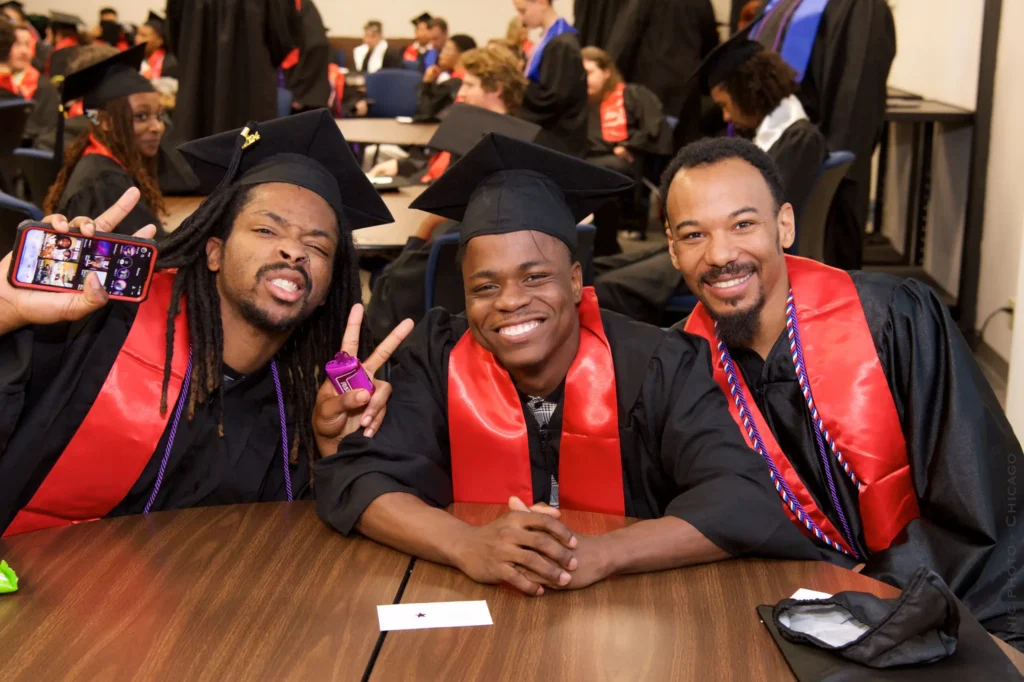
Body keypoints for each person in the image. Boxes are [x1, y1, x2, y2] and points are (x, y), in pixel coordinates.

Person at [316, 133, 824, 595]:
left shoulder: (656, 365)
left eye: (536, 277)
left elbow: (743, 497)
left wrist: (604, 553)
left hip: (637, 619)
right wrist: (465, 545)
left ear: (577, 280)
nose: (510, 301)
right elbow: (358, 478)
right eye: (485, 287)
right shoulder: (436, 356)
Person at [662, 136, 1023, 651]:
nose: (721, 254)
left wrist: (873, 588)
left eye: (744, 224)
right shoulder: (680, 366)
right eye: (694, 234)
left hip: (946, 598)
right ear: (673, 248)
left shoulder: (894, 319)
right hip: (778, 613)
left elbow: (978, 498)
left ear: (784, 225)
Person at [0, 109, 410, 537]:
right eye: (267, 231)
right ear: (213, 252)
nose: (294, 251)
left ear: (328, 289)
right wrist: (3, 311)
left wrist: (332, 453)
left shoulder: (302, 405)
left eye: (317, 247)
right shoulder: (98, 329)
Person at [591, 33, 829, 326]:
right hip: (712, 237)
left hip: (730, 256)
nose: (727, 117)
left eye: (727, 105)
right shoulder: (783, 135)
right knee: (599, 267)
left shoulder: (799, 139)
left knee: (607, 288)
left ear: (748, 92)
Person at [366, 49, 533, 341]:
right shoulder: (480, 131)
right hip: (460, 252)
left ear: (496, 89)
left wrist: (417, 237)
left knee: (389, 281)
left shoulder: (496, 146)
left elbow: (449, 206)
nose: (461, 91)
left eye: (469, 85)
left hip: (452, 251)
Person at [749, 0, 895, 269]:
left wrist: (832, 177)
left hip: (817, 164)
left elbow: (854, 102)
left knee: (823, 271)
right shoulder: (782, 4)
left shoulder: (860, 7)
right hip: (782, 157)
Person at [43, 45, 168, 239]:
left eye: (159, 115)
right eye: (141, 116)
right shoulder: (106, 182)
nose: (157, 127)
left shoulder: (98, 159)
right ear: (105, 122)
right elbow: (157, 251)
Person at [581, 46, 671, 255]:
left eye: (589, 72)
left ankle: (609, 240)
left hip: (622, 160)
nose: (584, 79)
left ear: (606, 71)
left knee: (597, 171)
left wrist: (629, 145)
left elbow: (654, 128)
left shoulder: (632, 95)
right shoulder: (577, 104)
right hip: (589, 158)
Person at [167, 0, 299, 141]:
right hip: (250, 87)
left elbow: (174, 36)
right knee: (250, 152)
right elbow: (282, 36)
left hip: (197, 87)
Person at [605, 0, 719, 149]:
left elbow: (625, 39)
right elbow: (711, 42)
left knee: (646, 153)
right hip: (686, 87)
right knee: (684, 153)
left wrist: (612, 78)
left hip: (648, 85)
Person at [513, 0, 587, 157]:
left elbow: (553, 96)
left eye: (523, 11)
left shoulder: (563, 44)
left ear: (541, 2)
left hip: (558, 135)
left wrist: (514, 91)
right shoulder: (549, 39)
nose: (520, 18)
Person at [282, 0, 331, 113]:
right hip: (305, 90)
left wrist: (297, 94)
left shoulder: (302, 6)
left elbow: (316, 46)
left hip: (307, 95)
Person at [415, 34, 477, 121]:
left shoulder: (456, 82)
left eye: (447, 50)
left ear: (463, 55)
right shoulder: (451, 77)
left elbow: (425, 114)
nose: (440, 55)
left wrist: (427, 83)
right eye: (443, 50)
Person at [136, 11, 178, 80]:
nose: (137, 39)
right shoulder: (133, 60)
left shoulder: (169, 64)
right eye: (137, 34)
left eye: (144, 36)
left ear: (159, 41)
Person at [46, 11, 85, 77]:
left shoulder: (61, 51)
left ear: (58, 34)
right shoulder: (81, 45)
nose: (47, 38)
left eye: (48, 34)